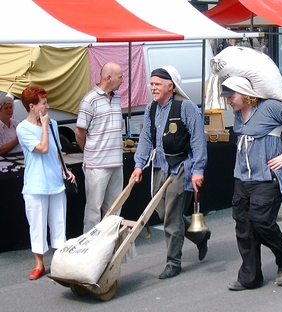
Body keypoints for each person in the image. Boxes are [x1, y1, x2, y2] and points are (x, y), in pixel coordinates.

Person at [220, 76, 282, 291]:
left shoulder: (269, 107)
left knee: (261, 222)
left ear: (245, 93)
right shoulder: (238, 113)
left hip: (267, 177)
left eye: (232, 96)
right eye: (227, 98)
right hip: (242, 178)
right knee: (244, 227)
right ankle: (250, 277)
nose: (229, 101)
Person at [131, 66, 210, 280]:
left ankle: (173, 262)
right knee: (162, 213)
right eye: (151, 84)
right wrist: (139, 165)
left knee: (172, 216)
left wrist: (198, 170)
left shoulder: (186, 107)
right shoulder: (151, 109)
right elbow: (146, 137)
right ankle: (199, 235)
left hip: (181, 166)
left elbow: (197, 140)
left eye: (157, 84)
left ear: (170, 86)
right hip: (159, 166)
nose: (153, 88)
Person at [16, 86, 75, 280]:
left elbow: (57, 151)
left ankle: (58, 260)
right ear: (32, 106)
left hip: (55, 180)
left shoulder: (53, 124)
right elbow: (42, 148)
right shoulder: (23, 128)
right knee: (37, 224)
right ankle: (39, 263)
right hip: (35, 183)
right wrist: (43, 126)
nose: (47, 107)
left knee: (59, 222)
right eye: (43, 103)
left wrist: (65, 170)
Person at [75, 62, 124, 233]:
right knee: (94, 209)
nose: (123, 80)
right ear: (108, 78)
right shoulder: (89, 100)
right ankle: (90, 249)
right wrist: (88, 151)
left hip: (116, 163)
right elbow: (80, 131)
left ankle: (109, 247)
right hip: (97, 164)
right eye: (120, 77)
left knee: (115, 207)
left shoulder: (117, 97)